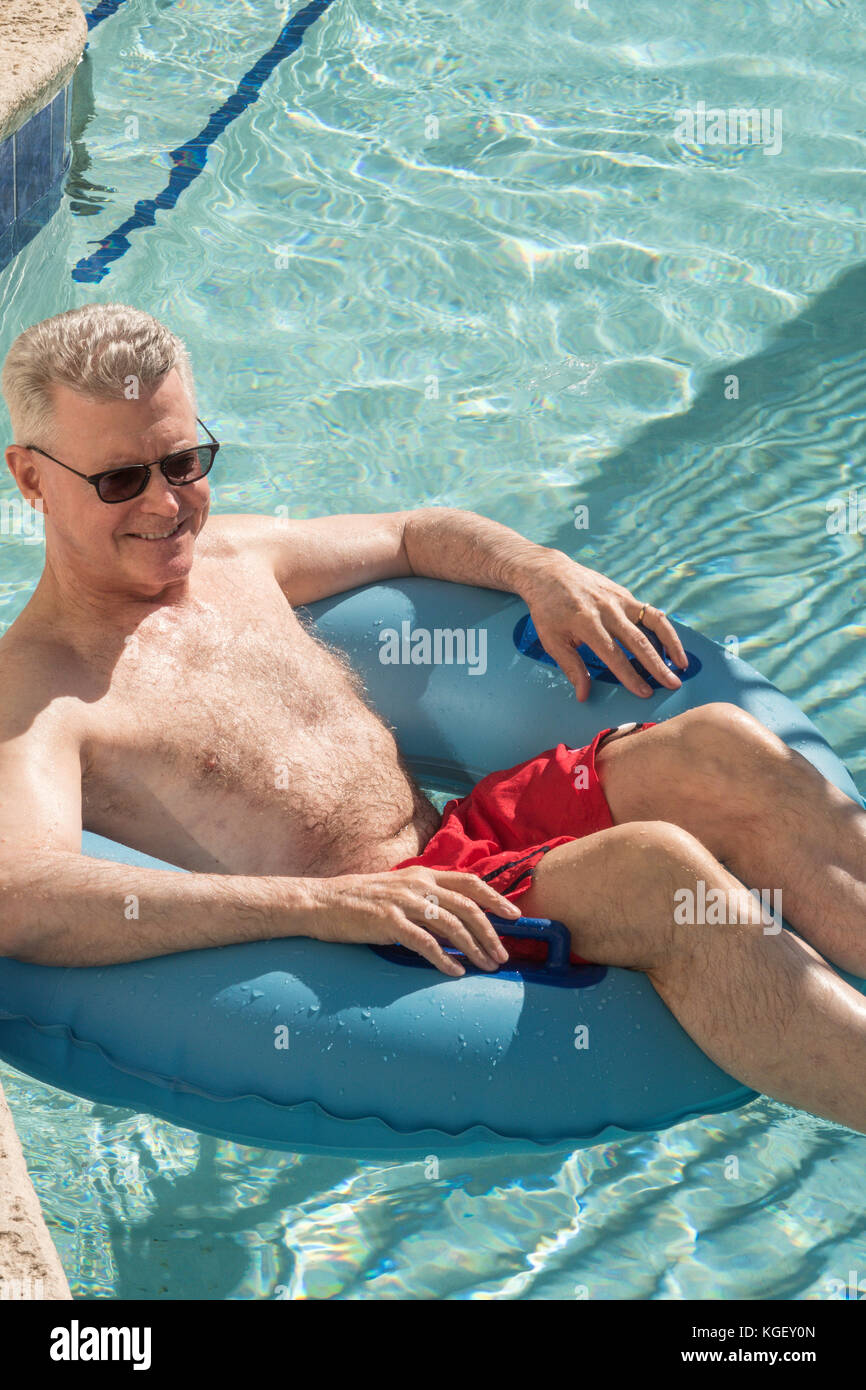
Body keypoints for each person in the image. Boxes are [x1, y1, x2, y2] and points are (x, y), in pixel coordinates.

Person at [2, 303, 866, 1135]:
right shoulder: (40, 689)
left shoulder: (237, 558)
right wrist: (315, 908)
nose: (166, 506)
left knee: (718, 746)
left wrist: (542, 569)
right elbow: (22, 895)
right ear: (32, 477)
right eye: (121, 480)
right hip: (383, 939)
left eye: (184, 462)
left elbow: (415, 533)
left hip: (462, 839)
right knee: (656, 872)